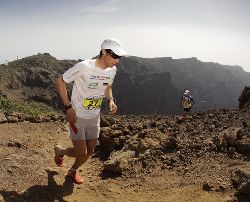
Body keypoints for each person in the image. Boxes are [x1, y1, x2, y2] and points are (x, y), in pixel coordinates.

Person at [55, 38, 128, 184]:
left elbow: (108, 87)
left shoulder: (112, 70)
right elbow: (60, 81)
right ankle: (65, 158)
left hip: (94, 117)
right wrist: (68, 107)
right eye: (114, 56)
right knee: (82, 153)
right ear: (103, 51)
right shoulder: (84, 67)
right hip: (77, 117)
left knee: (89, 152)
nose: (117, 60)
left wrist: (111, 100)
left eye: (119, 57)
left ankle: (68, 165)